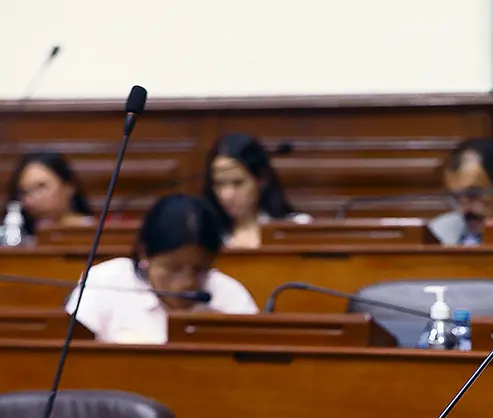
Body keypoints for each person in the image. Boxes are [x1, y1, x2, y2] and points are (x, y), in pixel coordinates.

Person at [67, 193, 258, 344]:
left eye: (199, 270)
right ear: (144, 253)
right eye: (173, 269)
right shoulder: (104, 282)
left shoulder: (229, 296)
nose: (186, 283)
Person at [203, 133, 311, 249]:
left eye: (238, 183)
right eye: (219, 184)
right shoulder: (204, 234)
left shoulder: (296, 228)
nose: (226, 195)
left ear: (261, 180)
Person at [4, 151, 93, 238]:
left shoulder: (97, 230)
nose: (32, 199)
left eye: (41, 187)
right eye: (25, 192)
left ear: (68, 188)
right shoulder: (17, 238)